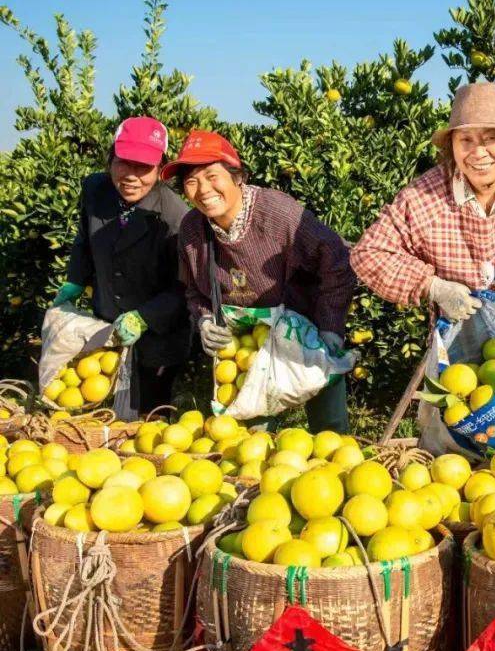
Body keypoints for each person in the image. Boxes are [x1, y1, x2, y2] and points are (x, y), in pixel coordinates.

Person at [350, 82, 495, 475]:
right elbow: (368, 255)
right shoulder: (424, 198)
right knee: (461, 492)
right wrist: (431, 286)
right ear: (452, 147)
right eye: (466, 140)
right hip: (460, 378)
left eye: (492, 138)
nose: (479, 152)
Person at [167, 130, 355, 433]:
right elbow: (194, 290)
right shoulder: (192, 230)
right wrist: (204, 321)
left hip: (305, 338)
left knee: (330, 434)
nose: (203, 190)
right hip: (246, 351)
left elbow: (337, 259)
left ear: (237, 176)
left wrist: (330, 326)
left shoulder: (277, 214)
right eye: (191, 182)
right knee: (250, 442)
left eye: (212, 176)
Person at [53, 116, 191, 416]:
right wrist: (75, 279)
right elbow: (84, 241)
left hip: (158, 337)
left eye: (144, 167)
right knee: (100, 413)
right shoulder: (94, 190)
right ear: (110, 160)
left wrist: (145, 317)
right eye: (123, 162)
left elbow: (184, 287)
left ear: (161, 170)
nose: (131, 176)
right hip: (107, 324)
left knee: (148, 418)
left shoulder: (175, 218)